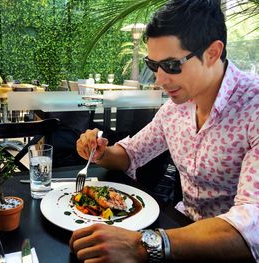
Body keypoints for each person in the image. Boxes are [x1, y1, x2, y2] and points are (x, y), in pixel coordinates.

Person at [69, 0, 259, 262]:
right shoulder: (176, 109)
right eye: (153, 65)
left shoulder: (254, 107)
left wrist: (143, 245)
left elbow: (253, 226)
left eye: (171, 65)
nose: (159, 79)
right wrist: (100, 152)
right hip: (178, 228)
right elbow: (132, 153)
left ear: (213, 53)